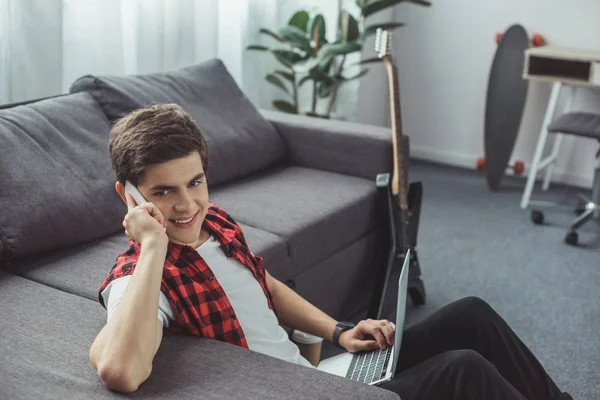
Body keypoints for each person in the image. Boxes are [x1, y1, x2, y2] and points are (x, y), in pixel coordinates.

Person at [89, 104, 572, 400]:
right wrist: (152, 245)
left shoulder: (213, 221)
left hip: (317, 375)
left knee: (472, 315)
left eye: (195, 182)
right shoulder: (138, 277)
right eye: (162, 193)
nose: (186, 204)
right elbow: (121, 372)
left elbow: (262, 283)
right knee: (461, 370)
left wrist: (339, 332)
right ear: (128, 196)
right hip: (298, 394)